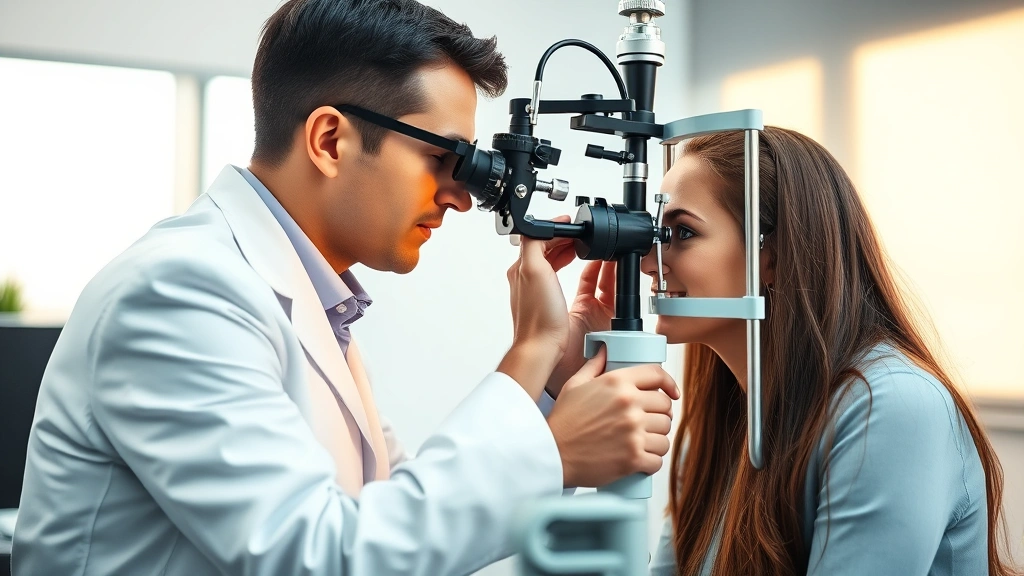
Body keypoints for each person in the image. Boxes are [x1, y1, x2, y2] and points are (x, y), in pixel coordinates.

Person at [11, 1, 680, 574]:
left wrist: (550, 381)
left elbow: (400, 519)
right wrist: (535, 375)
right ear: (330, 139)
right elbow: (321, 555)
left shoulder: (311, 301)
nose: (461, 196)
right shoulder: (180, 291)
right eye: (444, 159)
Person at [640, 127, 1019, 575]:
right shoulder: (720, 425)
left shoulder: (893, 407)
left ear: (772, 256)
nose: (648, 262)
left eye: (681, 232)